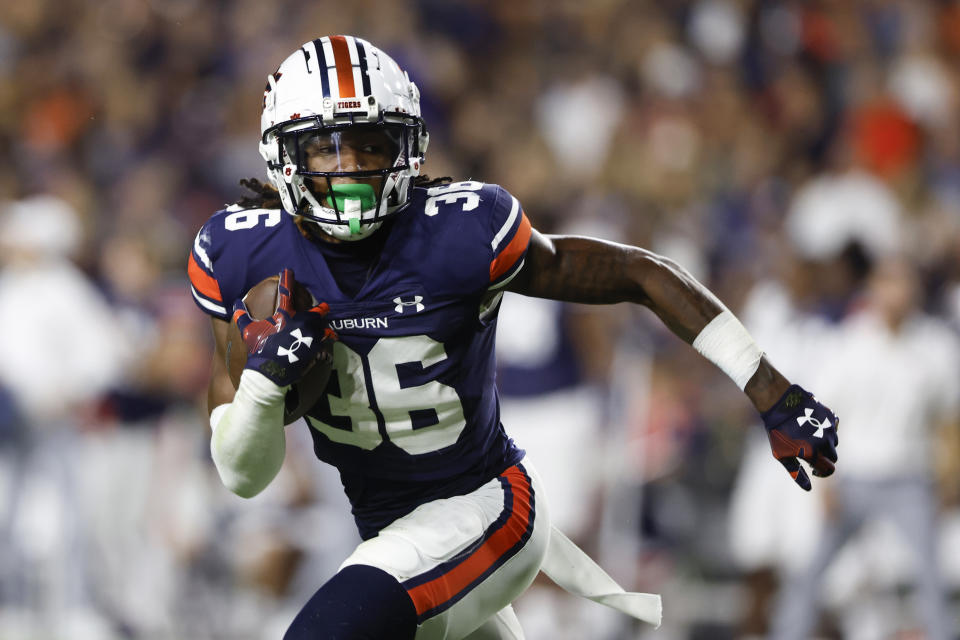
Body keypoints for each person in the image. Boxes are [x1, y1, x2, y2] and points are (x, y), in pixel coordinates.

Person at [188, 36, 839, 640]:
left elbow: (639, 272)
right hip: (390, 533)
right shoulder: (243, 255)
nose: (350, 167)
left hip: (486, 508)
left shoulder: (461, 234)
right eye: (326, 147)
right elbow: (244, 475)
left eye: (370, 144)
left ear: (407, 150)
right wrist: (266, 384)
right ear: (282, 156)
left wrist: (772, 392)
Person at [769, 255, 959, 640]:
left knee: (929, 574)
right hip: (854, 478)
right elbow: (822, 418)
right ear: (874, 289)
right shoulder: (850, 343)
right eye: (888, 283)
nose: (896, 294)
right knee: (811, 570)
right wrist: (823, 480)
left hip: (910, 478)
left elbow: (948, 421)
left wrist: (950, 477)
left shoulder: (934, 346)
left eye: (903, 284)